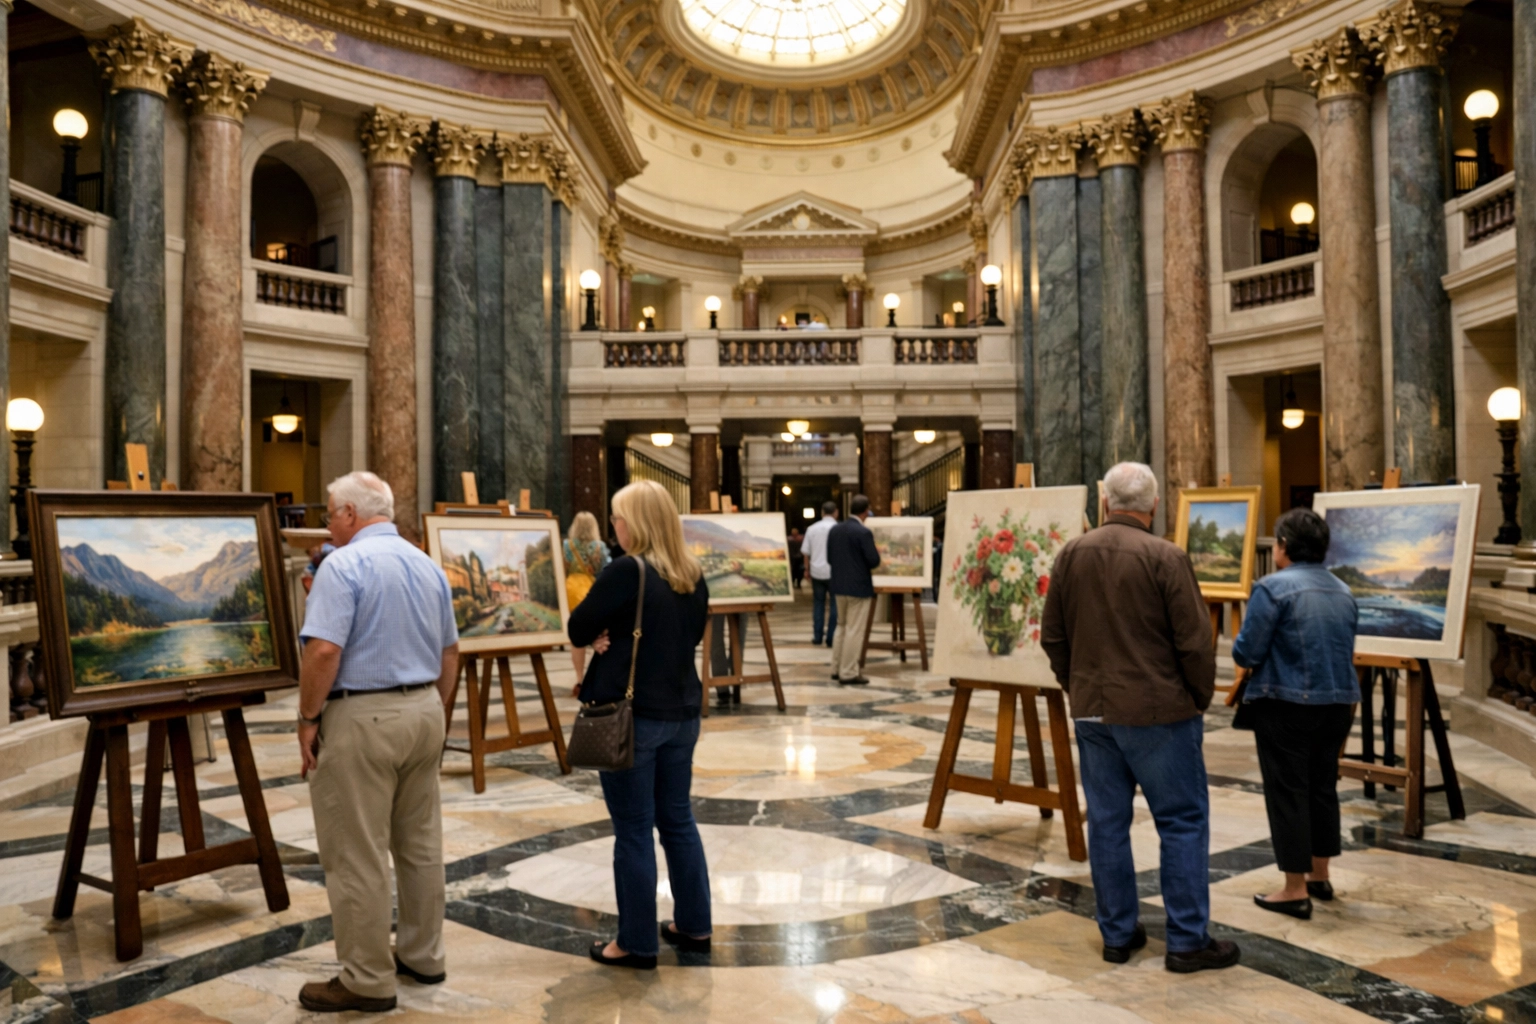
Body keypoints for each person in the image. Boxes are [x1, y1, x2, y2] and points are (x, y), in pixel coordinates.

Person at [1040, 462, 1239, 974]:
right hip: (1159, 712)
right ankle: (1188, 941)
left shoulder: (1071, 554)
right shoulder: (1166, 556)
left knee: (1107, 825)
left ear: (1106, 503)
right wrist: (1196, 697)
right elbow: (1195, 642)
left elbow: (1053, 637)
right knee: (1181, 821)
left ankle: (1117, 934)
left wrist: (1077, 686)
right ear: (1153, 507)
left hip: (1093, 712)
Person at [294, 471, 460, 1013]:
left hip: (363, 716)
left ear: (349, 514)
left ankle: (366, 979)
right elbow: (450, 653)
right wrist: (437, 710)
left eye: (329, 516)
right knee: (419, 844)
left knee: (357, 851)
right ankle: (422, 955)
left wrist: (306, 718)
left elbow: (322, 653)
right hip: (424, 711)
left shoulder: (343, 565)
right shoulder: (427, 562)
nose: (327, 526)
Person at [567, 480, 713, 970]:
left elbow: (577, 628)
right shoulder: (694, 575)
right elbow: (681, 636)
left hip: (634, 719)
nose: (614, 526)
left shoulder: (627, 570)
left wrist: (602, 637)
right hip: (683, 716)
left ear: (639, 522)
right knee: (677, 821)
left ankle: (634, 942)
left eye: (619, 517)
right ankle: (693, 924)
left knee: (633, 830)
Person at [1232, 507, 1359, 921]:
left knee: (1287, 790)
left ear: (1283, 546)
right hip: (1339, 703)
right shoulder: (1344, 590)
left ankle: (1293, 889)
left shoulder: (1272, 588)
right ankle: (1320, 876)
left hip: (1286, 703)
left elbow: (1247, 652)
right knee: (1322, 785)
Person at [828, 494, 880, 687]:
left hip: (838, 586)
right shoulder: (863, 532)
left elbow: (829, 558)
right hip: (858, 588)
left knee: (841, 627)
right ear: (866, 511)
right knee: (854, 630)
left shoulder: (835, 530)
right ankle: (848, 672)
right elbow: (874, 560)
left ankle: (836, 668)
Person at [564, 510, 612, 686]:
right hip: (591, 590)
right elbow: (606, 571)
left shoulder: (566, 546)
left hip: (570, 591)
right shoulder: (599, 547)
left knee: (577, 637)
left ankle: (579, 678)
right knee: (597, 634)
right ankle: (597, 676)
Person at [803, 501, 839, 647]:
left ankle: (817, 636)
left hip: (816, 571)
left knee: (818, 604)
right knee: (835, 605)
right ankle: (831, 637)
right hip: (834, 572)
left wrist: (807, 570)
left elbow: (806, 553)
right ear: (836, 512)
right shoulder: (838, 528)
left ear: (822, 512)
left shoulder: (812, 529)